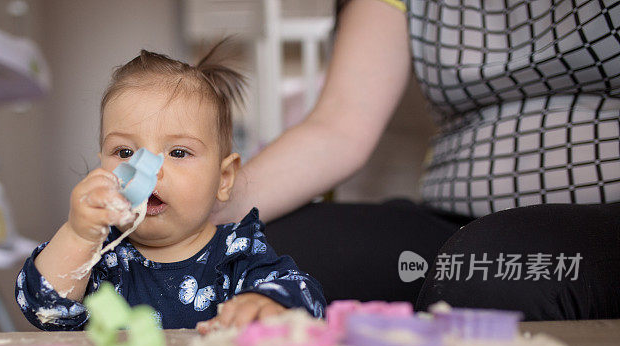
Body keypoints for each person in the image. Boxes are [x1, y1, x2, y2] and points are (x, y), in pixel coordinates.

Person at [213, 0, 620, 320]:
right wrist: (201, 211)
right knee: (251, 254)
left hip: (597, 221)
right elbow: (338, 128)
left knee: (492, 268)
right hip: (450, 222)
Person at [15, 43, 326, 332]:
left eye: (178, 152)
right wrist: (78, 234)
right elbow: (44, 308)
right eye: (124, 153)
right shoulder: (100, 254)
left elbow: (307, 299)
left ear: (224, 179)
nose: (148, 171)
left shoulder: (236, 253)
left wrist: (269, 303)